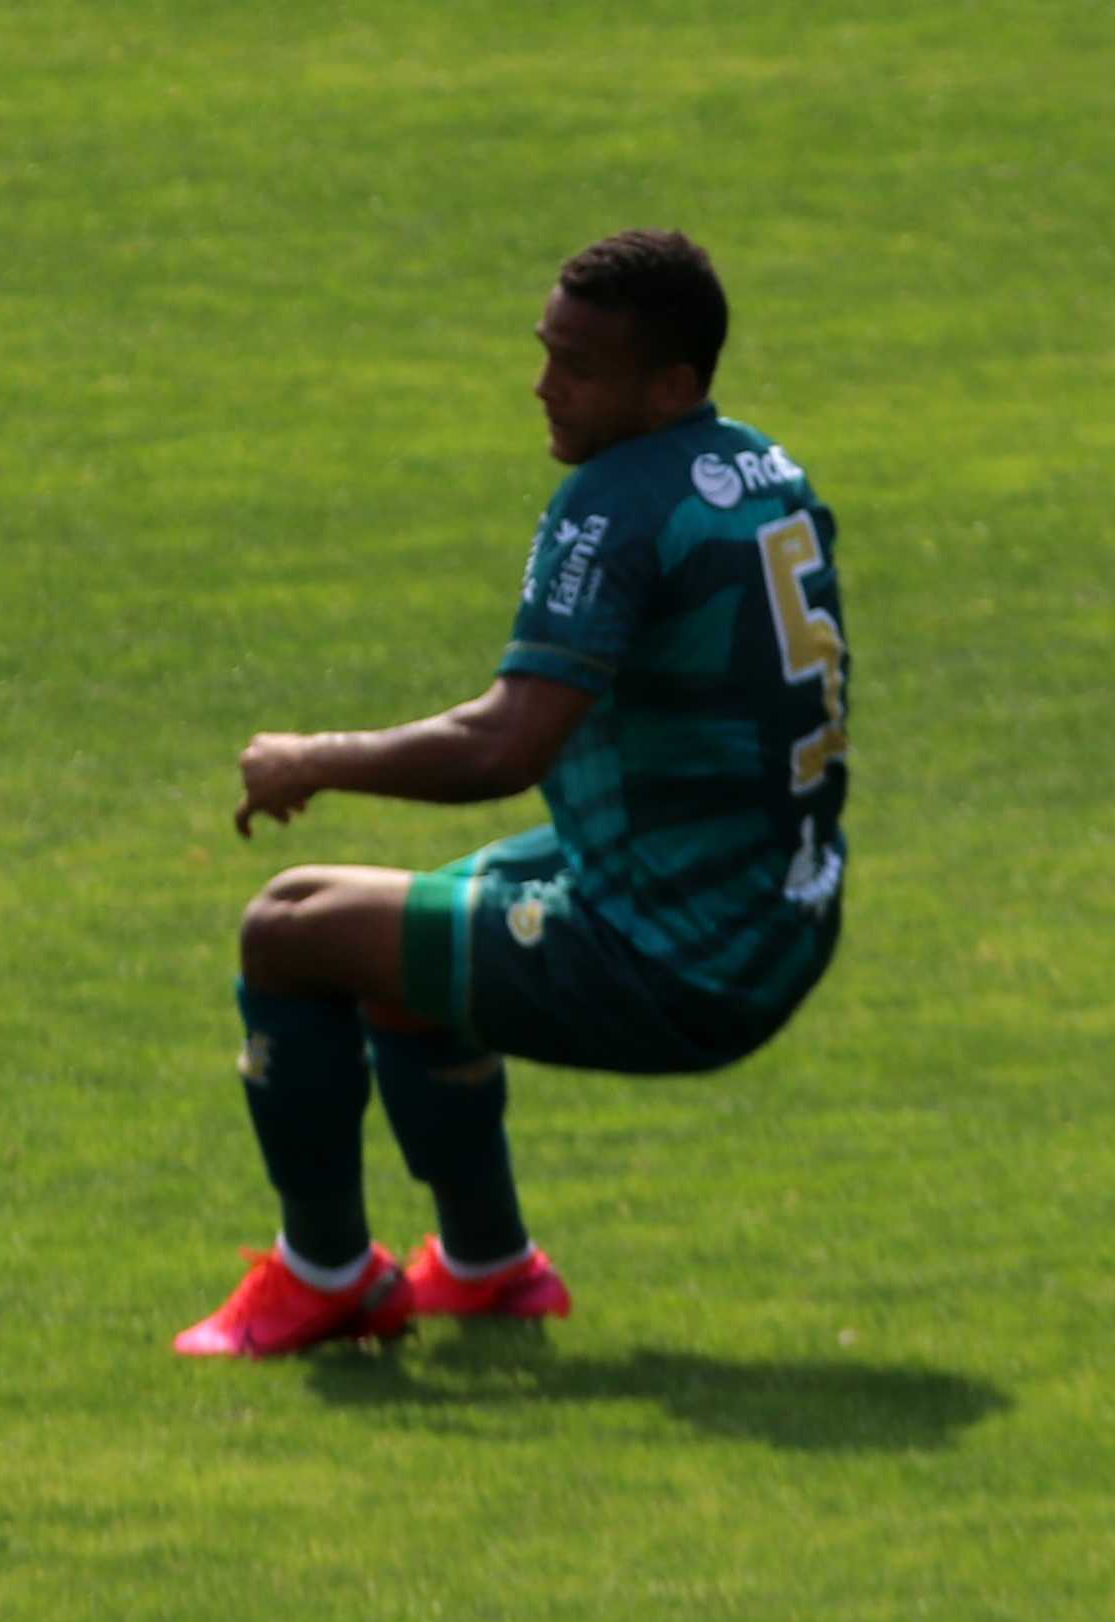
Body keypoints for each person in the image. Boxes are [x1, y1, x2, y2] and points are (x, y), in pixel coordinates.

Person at [175, 229, 847, 1359]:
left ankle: (325, 1276)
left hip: (676, 952)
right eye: (544, 353)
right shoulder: (762, 469)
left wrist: (312, 758)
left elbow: (503, 747)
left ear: (670, 384)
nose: (543, 386)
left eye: (577, 368)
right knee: (396, 929)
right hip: (772, 900)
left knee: (286, 929)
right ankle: (488, 1267)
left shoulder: (614, 504)